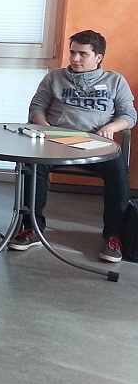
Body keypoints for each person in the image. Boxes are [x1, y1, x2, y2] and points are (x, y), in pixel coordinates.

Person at [13, 29, 136, 261]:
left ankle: (113, 236)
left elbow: (129, 115)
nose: (75, 58)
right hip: (54, 142)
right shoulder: (55, 77)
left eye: (83, 54)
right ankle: (31, 228)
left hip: (95, 145)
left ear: (98, 57)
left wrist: (113, 127)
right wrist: (44, 127)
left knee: (118, 170)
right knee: (33, 164)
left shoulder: (115, 81)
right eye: (72, 52)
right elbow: (37, 107)